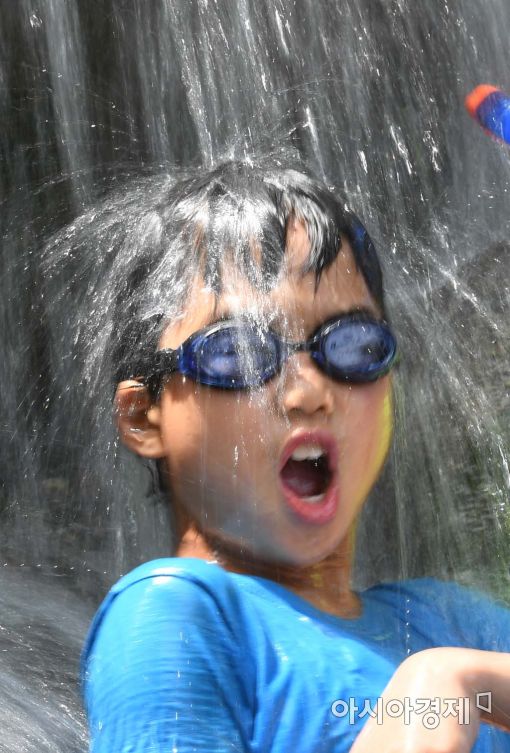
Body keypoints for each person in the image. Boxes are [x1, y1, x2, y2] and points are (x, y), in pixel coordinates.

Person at [78, 159, 510, 752]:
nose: (308, 393)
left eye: (353, 345)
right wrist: (436, 692)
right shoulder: (176, 614)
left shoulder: (450, 620)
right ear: (141, 417)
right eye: (236, 352)